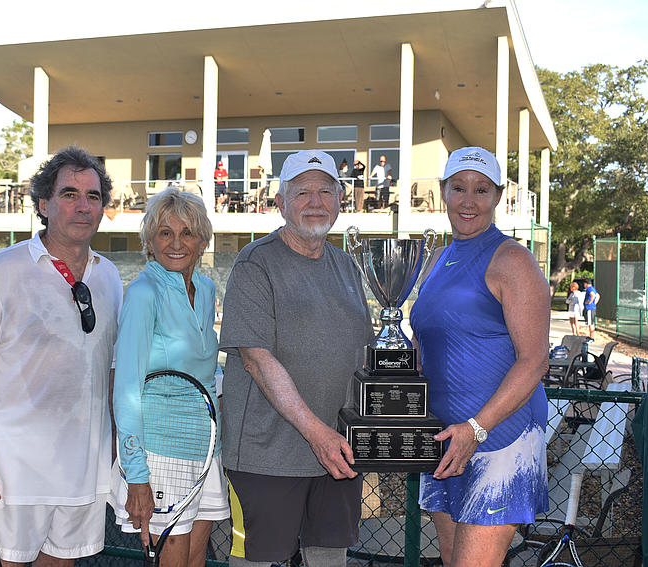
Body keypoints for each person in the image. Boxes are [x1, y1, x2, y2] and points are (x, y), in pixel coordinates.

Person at [0, 146, 124, 567]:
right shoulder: (2, 271)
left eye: (93, 197)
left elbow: (112, 368)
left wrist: (116, 445)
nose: (83, 206)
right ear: (43, 204)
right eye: (69, 194)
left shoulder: (110, 276)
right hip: (10, 474)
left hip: (84, 473)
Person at [218, 150, 374, 567]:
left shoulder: (348, 267)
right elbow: (256, 361)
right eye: (302, 191)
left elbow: (368, 356)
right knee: (258, 562)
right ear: (281, 202)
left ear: (341, 200)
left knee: (329, 560)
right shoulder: (255, 262)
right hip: (267, 456)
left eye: (326, 190)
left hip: (338, 454)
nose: (315, 201)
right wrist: (316, 433)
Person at [409, 147, 550, 567]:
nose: (468, 201)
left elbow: (534, 361)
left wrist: (476, 428)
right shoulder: (438, 257)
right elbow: (426, 341)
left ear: (497, 196)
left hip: (498, 437)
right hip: (446, 441)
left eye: (481, 190)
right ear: (443, 192)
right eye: (459, 188)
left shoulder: (513, 260)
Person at [111, 187, 228, 567]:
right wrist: (137, 475)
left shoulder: (207, 289)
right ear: (149, 240)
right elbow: (126, 387)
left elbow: (205, 369)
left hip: (206, 449)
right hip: (160, 451)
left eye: (187, 233)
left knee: (197, 558)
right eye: (165, 233)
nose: (176, 243)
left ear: (202, 240)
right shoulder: (143, 294)